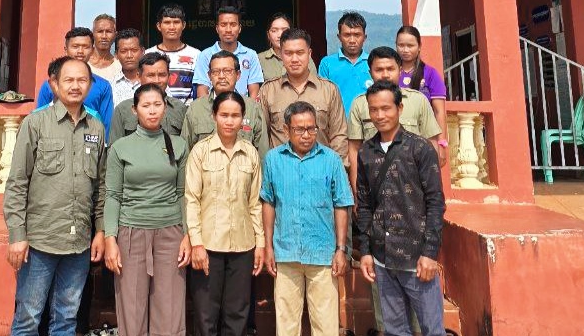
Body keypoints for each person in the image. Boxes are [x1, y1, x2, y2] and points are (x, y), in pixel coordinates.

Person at [3, 56, 107, 336]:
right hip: (40, 241)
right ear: (54, 84)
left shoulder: (96, 128)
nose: (75, 86)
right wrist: (17, 235)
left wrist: (100, 231)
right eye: (68, 80)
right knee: (28, 317)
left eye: (82, 80)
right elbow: (17, 183)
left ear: (90, 85)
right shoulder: (35, 124)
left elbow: (101, 186)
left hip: (79, 243)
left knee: (67, 318)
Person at [357, 81, 446, 336]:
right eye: (374, 110)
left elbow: (435, 202)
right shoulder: (366, 152)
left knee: (432, 330)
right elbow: (364, 205)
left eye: (386, 108)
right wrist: (365, 251)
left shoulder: (420, 148)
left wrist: (430, 253)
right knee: (395, 331)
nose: (380, 115)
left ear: (400, 108)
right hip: (382, 258)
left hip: (416, 258)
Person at [103, 83, 192, 336]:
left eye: (157, 104)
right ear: (135, 110)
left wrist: (187, 235)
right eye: (145, 105)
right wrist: (110, 239)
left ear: (165, 108)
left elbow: (182, 194)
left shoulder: (179, 145)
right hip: (131, 233)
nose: (152, 111)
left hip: (171, 233)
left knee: (170, 308)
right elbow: (113, 195)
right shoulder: (121, 147)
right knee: (131, 309)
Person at [260, 101, 354, 336]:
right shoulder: (273, 159)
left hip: (322, 254)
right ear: (286, 130)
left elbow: (342, 204)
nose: (306, 135)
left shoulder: (331, 160)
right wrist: (268, 246)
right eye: (299, 129)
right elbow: (268, 202)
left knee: (325, 325)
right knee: (286, 325)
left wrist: (341, 249)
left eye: (311, 128)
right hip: (286, 252)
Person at [185, 91, 265, 336]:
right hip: (208, 245)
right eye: (224, 115)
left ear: (243, 118)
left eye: (235, 115)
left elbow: (255, 203)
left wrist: (260, 243)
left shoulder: (250, 153)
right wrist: (196, 243)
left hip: (243, 246)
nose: (229, 121)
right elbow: (191, 200)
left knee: (237, 315)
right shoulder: (200, 152)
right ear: (214, 116)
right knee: (206, 316)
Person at [347, 46, 445, 193]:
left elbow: (431, 144)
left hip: (413, 187)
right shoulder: (359, 104)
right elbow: (354, 150)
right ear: (370, 73)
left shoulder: (418, 101)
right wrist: (357, 192)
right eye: (379, 70)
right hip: (375, 186)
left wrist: (432, 191)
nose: (385, 74)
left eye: (390, 69)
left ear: (400, 70)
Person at [258, 28, 348, 164]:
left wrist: (336, 169)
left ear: (309, 54)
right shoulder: (268, 90)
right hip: (282, 171)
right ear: (281, 55)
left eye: (300, 53)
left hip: (321, 169)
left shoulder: (329, 90)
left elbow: (339, 136)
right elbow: (262, 137)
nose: (294, 59)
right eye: (288, 53)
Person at [182, 50, 268, 156]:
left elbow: (262, 153)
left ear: (238, 75)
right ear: (209, 75)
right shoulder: (196, 108)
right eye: (216, 72)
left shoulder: (252, 108)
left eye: (227, 71)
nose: (221, 76)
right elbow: (185, 152)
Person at [36, 27, 114, 134]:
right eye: (75, 46)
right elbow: (39, 118)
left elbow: (107, 125)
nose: (80, 51)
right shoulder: (50, 85)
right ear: (66, 49)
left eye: (85, 47)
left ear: (92, 50)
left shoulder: (103, 86)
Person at [108, 51, 187, 144]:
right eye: (151, 75)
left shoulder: (179, 108)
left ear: (169, 76)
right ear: (139, 76)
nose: (157, 80)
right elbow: (114, 147)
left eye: (162, 75)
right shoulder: (123, 109)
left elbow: (185, 146)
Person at [193, 6, 264, 99]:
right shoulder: (205, 55)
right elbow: (202, 92)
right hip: (212, 107)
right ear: (217, 28)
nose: (228, 30)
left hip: (243, 107)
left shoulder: (251, 55)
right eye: (223, 25)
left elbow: (254, 93)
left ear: (239, 28)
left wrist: (246, 108)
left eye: (233, 25)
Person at [396, 25, 448, 145]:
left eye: (410, 45)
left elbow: (439, 111)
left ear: (419, 46)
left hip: (424, 138)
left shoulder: (431, 73)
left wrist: (441, 141)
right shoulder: (390, 72)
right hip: (395, 137)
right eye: (401, 45)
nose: (405, 50)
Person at [318, 11, 371, 116]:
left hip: (369, 122)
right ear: (339, 37)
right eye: (347, 35)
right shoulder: (327, 63)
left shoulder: (373, 62)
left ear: (364, 37)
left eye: (357, 35)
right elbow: (322, 97)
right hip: (338, 122)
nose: (352, 40)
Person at [147, 4, 201, 104]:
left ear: (183, 25)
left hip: (186, 111)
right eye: (167, 22)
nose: (172, 27)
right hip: (154, 109)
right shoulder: (147, 54)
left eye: (176, 22)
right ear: (159, 26)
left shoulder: (196, 54)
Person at [258, 12, 317, 82]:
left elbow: (314, 84)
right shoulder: (259, 59)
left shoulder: (305, 57)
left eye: (285, 30)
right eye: (274, 31)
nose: (280, 35)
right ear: (268, 35)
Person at [110, 28, 143, 107]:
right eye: (123, 51)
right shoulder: (110, 86)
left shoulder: (155, 81)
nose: (129, 56)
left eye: (134, 50)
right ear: (116, 55)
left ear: (142, 51)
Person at [90, 14, 121, 80]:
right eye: (100, 31)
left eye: (108, 31)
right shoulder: (83, 63)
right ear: (93, 34)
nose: (104, 36)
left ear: (115, 35)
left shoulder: (120, 67)